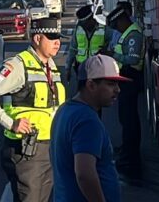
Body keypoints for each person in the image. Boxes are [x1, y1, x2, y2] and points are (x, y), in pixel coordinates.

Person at [0, 17, 67, 202]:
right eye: (52, 37)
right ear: (37, 39)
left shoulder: (50, 65)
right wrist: (10, 123)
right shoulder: (17, 66)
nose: (58, 42)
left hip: (50, 147)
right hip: (27, 150)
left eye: (59, 37)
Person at [50, 54, 127, 202]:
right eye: (111, 84)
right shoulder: (87, 121)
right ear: (91, 85)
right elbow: (84, 174)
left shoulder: (65, 110)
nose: (118, 90)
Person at [105, 1, 144, 176]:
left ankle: (131, 156)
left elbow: (134, 59)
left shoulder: (134, 34)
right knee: (124, 117)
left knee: (129, 120)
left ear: (122, 21)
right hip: (124, 79)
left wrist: (113, 55)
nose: (117, 30)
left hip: (131, 78)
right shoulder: (127, 33)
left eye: (117, 26)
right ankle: (127, 151)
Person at [67, 4, 106, 83]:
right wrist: (68, 68)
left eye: (84, 23)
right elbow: (73, 49)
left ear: (91, 19)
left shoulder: (104, 29)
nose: (82, 26)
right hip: (81, 67)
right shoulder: (79, 29)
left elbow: (111, 46)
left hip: (97, 67)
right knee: (83, 91)